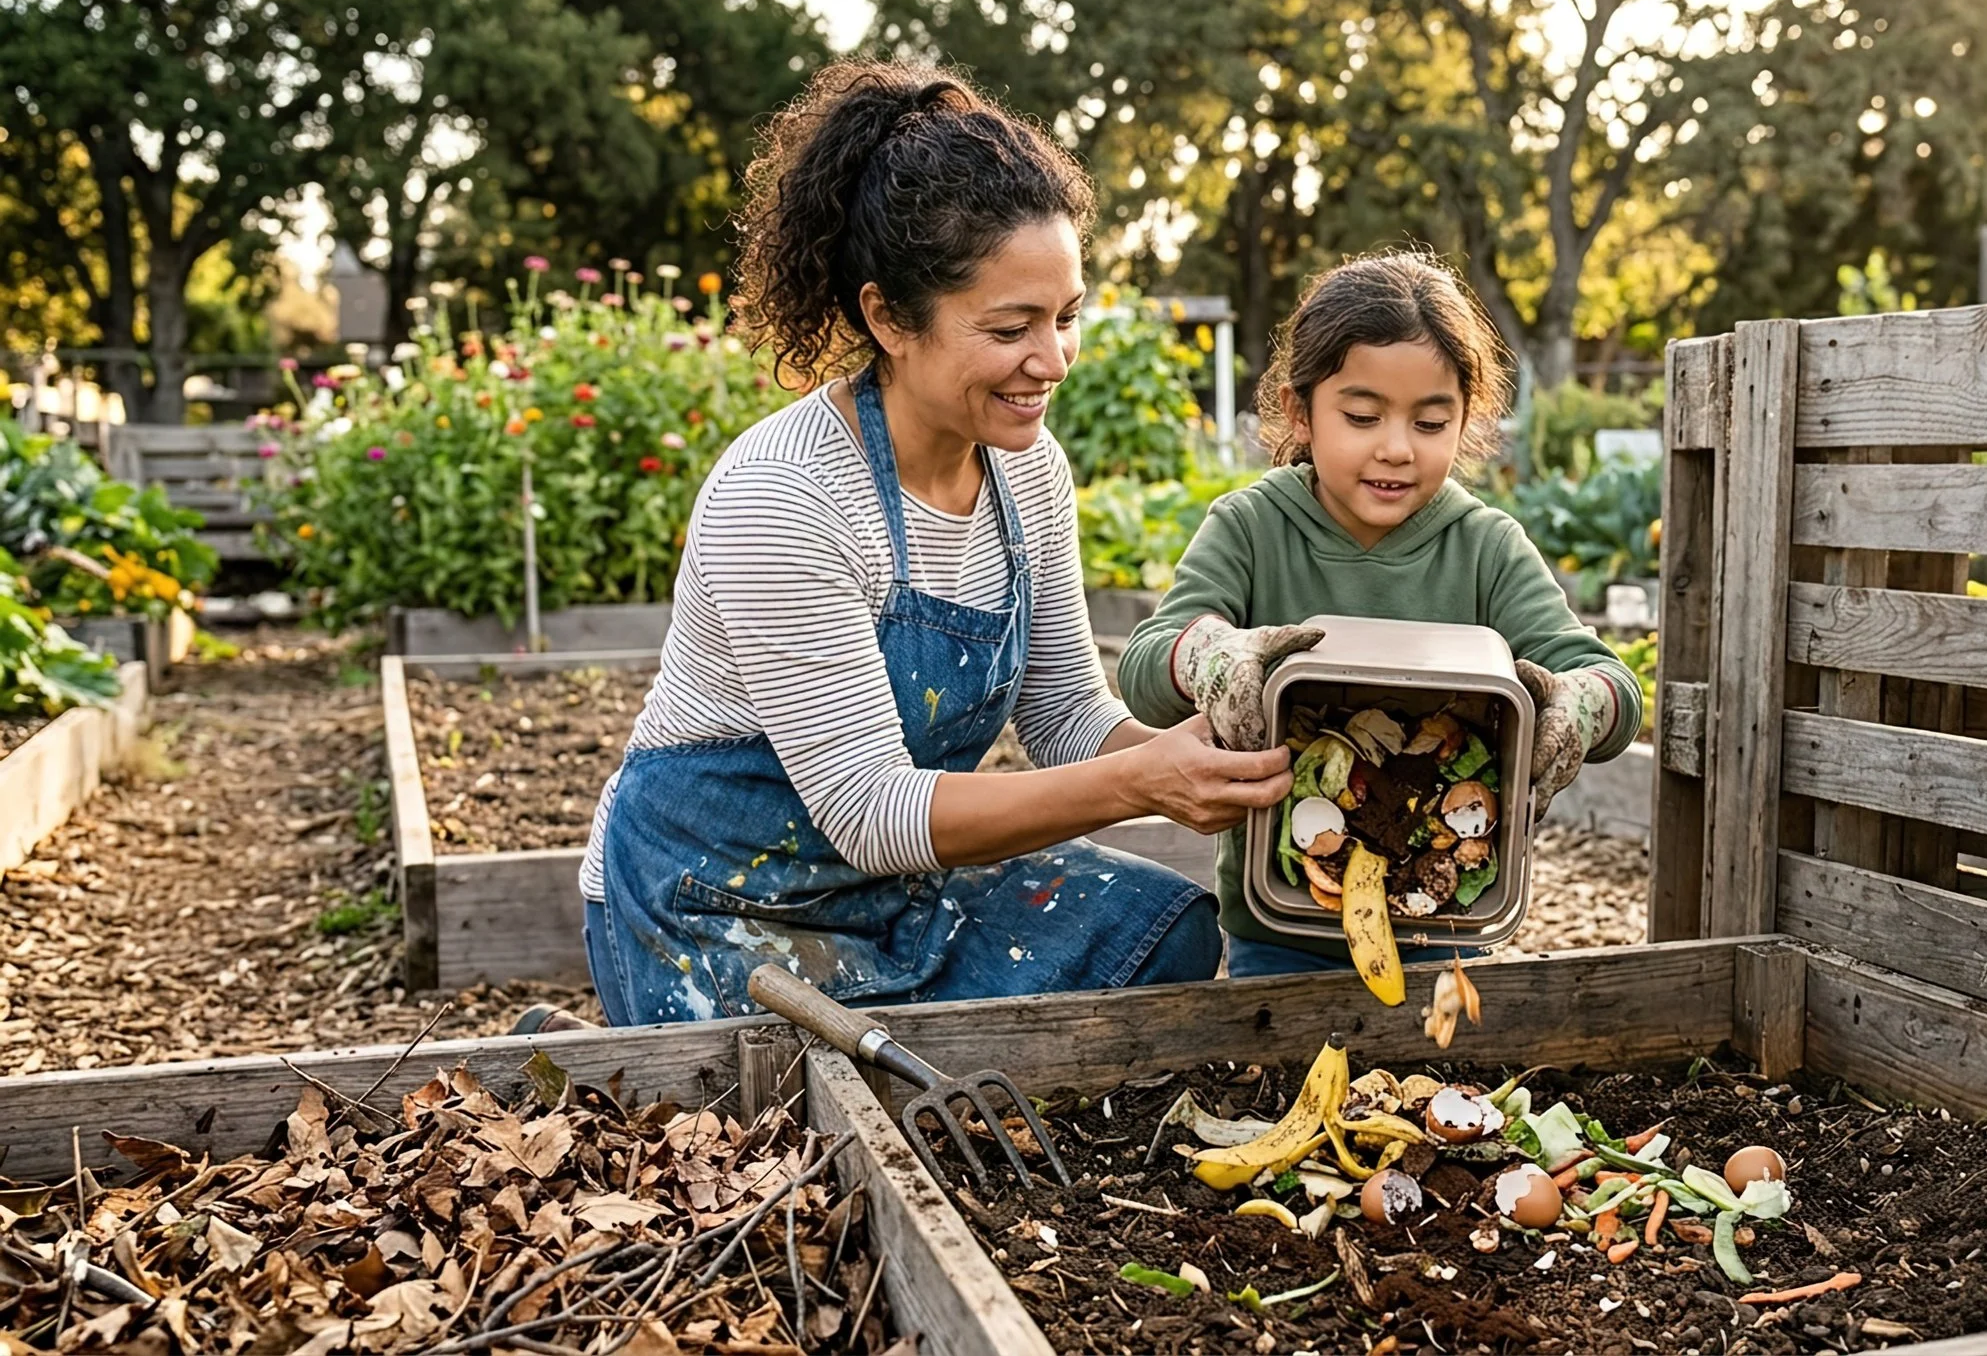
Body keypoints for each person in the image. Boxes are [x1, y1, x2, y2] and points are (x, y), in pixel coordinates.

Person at [576, 61, 1294, 1027]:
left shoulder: (1027, 472)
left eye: (1067, 316)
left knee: (1163, 932)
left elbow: (1065, 715)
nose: (1052, 362)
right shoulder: (785, 495)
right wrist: (1136, 785)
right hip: (715, 899)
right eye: (1010, 327)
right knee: (800, 1125)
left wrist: (1196, 754)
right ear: (888, 317)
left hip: (905, 891)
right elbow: (872, 811)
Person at [1118, 252, 1643, 978]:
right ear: (1301, 412)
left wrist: (1581, 705)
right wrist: (1209, 655)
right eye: (1362, 417)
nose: (1396, 449)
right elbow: (1146, 666)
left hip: (1448, 924)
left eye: (1431, 422)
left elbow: (1609, 681)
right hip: (1281, 934)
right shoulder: (1251, 528)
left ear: (1467, 421)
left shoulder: (1485, 548)